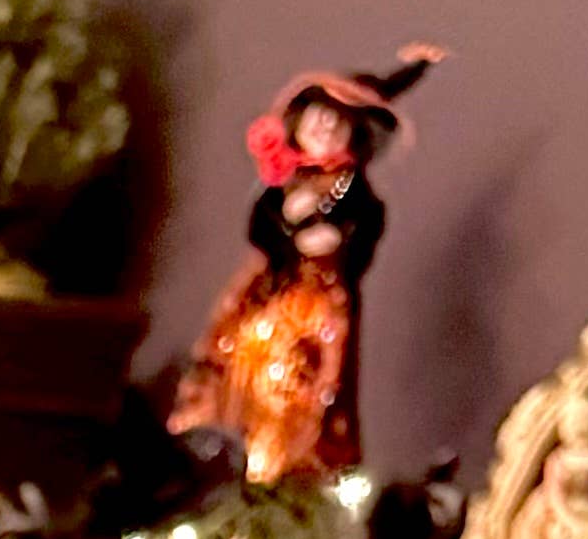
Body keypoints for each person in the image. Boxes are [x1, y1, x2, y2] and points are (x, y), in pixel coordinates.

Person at [168, 53, 440, 486]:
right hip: (267, 301)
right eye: (320, 114)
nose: (326, 126)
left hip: (318, 314)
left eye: (340, 120)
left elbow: (364, 238)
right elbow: (260, 231)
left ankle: (291, 471)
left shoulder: (355, 196)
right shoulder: (282, 188)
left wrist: (334, 245)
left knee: (305, 395)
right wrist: (289, 233)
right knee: (240, 377)